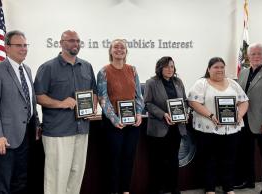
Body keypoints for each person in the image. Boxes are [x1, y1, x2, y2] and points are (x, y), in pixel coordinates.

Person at [34, 30, 98, 194]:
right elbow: (38, 96)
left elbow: (94, 92)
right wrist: (60, 103)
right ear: (61, 43)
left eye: (77, 41)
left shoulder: (86, 66)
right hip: (58, 131)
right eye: (71, 41)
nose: (75, 44)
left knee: (76, 174)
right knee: (56, 176)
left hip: (82, 129)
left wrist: (92, 109)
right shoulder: (48, 67)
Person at [0, 30, 40, 194]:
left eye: (25, 45)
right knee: (4, 183)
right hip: (6, 138)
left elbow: (31, 100)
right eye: (18, 45)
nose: (23, 49)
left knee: (20, 180)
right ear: (7, 48)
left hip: (26, 134)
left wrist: (36, 123)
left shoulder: (27, 69)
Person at [187, 57, 249, 194]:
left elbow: (244, 101)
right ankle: (210, 189)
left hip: (231, 130)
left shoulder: (233, 83)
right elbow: (193, 102)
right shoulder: (201, 83)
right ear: (209, 69)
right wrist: (211, 115)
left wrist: (239, 115)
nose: (219, 70)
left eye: (222, 67)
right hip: (208, 130)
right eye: (216, 67)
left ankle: (228, 188)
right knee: (209, 160)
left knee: (229, 160)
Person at [97, 39, 144, 194]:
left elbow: (139, 95)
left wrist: (138, 113)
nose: (119, 49)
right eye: (115, 47)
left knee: (129, 158)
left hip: (132, 122)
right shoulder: (104, 71)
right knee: (114, 159)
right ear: (110, 51)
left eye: (122, 47)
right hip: (113, 123)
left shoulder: (133, 70)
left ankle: (125, 190)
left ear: (126, 51)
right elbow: (103, 99)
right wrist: (114, 119)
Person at [235, 43, 262, 194]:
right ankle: (249, 181)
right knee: (246, 154)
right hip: (243, 121)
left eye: (259, 53)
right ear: (248, 56)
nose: (256, 56)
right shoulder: (243, 73)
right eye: (253, 54)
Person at [144, 56, 187, 194]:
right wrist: (163, 114)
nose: (170, 69)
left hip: (177, 128)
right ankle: (157, 189)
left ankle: (174, 188)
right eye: (167, 66)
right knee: (158, 161)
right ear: (160, 68)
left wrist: (184, 113)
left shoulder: (178, 82)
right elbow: (147, 103)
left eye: (172, 66)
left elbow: (184, 101)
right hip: (159, 127)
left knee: (174, 159)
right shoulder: (151, 82)